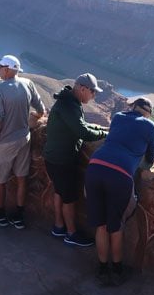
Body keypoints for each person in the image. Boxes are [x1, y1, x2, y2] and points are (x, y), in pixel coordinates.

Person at [85, 97, 154, 286]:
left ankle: (102, 269)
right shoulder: (149, 126)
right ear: (148, 113)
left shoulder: (118, 116)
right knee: (115, 226)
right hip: (119, 175)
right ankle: (116, 270)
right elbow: (152, 156)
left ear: (133, 107)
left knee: (100, 225)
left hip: (95, 166)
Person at [42, 72, 108, 247]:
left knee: (60, 192)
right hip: (62, 160)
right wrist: (104, 133)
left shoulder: (69, 102)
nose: (94, 96)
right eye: (93, 92)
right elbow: (83, 132)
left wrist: (95, 127)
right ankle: (71, 234)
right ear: (82, 88)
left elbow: (81, 124)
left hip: (54, 157)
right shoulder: (69, 106)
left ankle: (58, 226)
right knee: (69, 198)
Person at [0, 55, 46, 229]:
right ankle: (19, 216)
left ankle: (0, 215)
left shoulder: (0, 89)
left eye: (0, 68)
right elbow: (41, 110)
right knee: (21, 178)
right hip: (24, 138)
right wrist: (35, 117)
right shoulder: (28, 83)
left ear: (6, 69)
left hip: (4, 142)